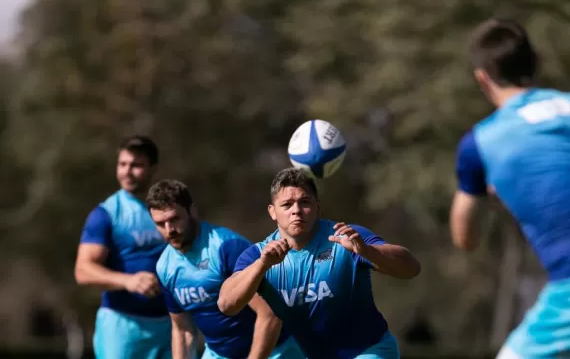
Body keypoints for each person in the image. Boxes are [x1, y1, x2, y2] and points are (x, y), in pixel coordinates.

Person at [450, 18, 570, 358]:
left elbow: (466, 238)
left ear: (483, 78)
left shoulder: (481, 142)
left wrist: (496, 199)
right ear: (537, 64)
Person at [218, 167, 421, 359]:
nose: (296, 210)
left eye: (305, 202)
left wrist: (366, 250)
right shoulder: (259, 255)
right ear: (272, 212)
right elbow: (227, 304)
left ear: (317, 207)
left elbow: (411, 268)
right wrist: (262, 265)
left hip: (370, 350)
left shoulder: (346, 238)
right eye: (287, 204)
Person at [147, 179, 305, 359]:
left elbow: (270, 315)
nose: (169, 230)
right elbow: (182, 330)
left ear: (192, 211)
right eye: (160, 223)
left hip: (273, 351)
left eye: (175, 219)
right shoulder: (165, 266)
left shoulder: (227, 248)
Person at [74, 135, 171, 359]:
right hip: (122, 325)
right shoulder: (106, 214)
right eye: (122, 164)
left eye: (136, 165)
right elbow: (83, 270)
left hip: (168, 323)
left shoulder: (170, 212)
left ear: (153, 168)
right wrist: (129, 281)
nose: (127, 171)